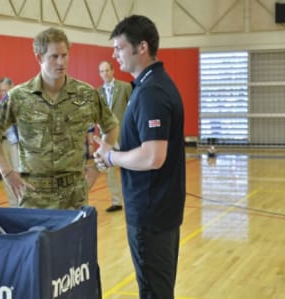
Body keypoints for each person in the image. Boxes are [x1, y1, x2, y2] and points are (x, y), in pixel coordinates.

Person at [93, 15, 186, 298]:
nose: (114, 54)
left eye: (119, 48)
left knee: (153, 290)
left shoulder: (152, 92)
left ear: (141, 47)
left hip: (151, 211)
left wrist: (111, 157)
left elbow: (152, 157)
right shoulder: (150, 85)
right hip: (158, 208)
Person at [0, 27, 119, 210]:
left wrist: (97, 167)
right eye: (54, 57)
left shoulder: (86, 94)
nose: (61, 62)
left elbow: (111, 126)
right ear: (39, 58)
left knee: (73, 240)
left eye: (64, 55)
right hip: (34, 197)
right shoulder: (19, 96)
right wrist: (7, 172)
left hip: (75, 195)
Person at [97, 60, 132, 212]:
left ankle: (131, 199)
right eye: (102, 71)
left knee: (129, 166)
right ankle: (116, 201)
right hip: (107, 136)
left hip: (124, 133)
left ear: (113, 71)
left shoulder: (125, 87)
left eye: (107, 70)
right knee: (110, 169)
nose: (105, 74)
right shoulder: (98, 92)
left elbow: (133, 109)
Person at [0, 77, 20, 207]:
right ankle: (13, 205)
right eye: (1, 91)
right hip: (3, 143)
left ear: (12, 88)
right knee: (6, 175)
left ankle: (23, 204)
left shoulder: (20, 104)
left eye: (6, 90)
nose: (3, 93)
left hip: (16, 144)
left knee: (19, 174)